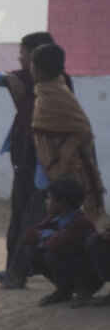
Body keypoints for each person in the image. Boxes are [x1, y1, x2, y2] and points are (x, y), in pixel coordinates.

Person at [0, 31, 54, 273]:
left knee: (29, 219)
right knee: (24, 217)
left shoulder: (53, 85)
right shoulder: (23, 79)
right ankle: (19, 270)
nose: (19, 59)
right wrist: (6, 77)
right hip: (29, 159)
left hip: (46, 163)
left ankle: (20, 271)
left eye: (23, 54)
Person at [29, 42, 103, 221]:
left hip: (68, 173)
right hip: (49, 171)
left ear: (36, 69)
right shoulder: (54, 91)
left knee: (72, 223)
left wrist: (65, 154)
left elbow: (82, 128)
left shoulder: (52, 97)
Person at [17, 177, 99, 304]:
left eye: (50, 198)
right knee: (32, 252)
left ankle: (83, 292)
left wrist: (44, 238)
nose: (46, 201)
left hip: (89, 276)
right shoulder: (55, 218)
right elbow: (28, 235)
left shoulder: (81, 222)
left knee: (52, 255)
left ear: (62, 205)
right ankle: (64, 290)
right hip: (70, 265)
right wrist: (47, 234)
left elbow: (57, 244)